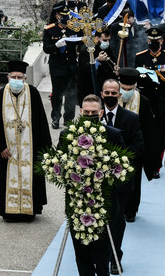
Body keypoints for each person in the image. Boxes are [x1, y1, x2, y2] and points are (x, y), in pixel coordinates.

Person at [0, 60, 52, 222]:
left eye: (20, 77)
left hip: (31, 149)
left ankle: (30, 210)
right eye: (13, 76)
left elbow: (42, 123)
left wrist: (45, 149)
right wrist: (0, 147)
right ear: (8, 78)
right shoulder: (0, 96)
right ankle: (9, 212)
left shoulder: (33, 94)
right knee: (6, 178)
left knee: (32, 177)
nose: (17, 79)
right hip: (7, 153)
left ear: (25, 78)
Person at [67, 94, 123, 276]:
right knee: (82, 257)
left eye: (93, 112)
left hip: (103, 206)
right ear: (81, 112)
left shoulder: (113, 135)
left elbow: (122, 169)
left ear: (100, 113)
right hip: (78, 205)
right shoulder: (67, 136)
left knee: (101, 256)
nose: (90, 115)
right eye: (86, 112)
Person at [100, 79, 144, 275]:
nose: (110, 96)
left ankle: (115, 257)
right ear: (102, 94)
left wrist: (118, 157)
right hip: (96, 181)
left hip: (120, 181)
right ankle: (100, 257)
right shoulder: (94, 116)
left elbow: (138, 146)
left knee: (117, 221)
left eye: (113, 93)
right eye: (106, 93)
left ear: (119, 95)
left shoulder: (131, 118)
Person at [117, 67, 160, 222]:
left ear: (135, 86)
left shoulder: (144, 101)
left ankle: (131, 211)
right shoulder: (112, 97)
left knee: (133, 182)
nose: (126, 91)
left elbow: (149, 130)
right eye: (124, 88)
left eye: (130, 89)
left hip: (134, 149)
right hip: (114, 147)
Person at [135, 27, 165, 178]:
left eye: (156, 41)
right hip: (147, 102)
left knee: (160, 134)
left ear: (162, 41)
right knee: (146, 133)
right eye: (151, 41)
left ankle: (156, 166)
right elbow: (138, 81)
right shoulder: (140, 57)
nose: (153, 43)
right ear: (148, 41)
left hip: (163, 101)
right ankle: (146, 161)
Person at [43, 7, 82, 129]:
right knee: (57, 94)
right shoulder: (50, 29)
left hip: (71, 65)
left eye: (67, 15)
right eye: (62, 15)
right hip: (57, 66)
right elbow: (46, 48)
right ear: (57, 16)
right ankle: (55, 117)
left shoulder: (74, 28)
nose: (65, 18)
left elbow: (81, 44)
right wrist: (55, 45)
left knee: (71, 94)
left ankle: (69, 119)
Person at [76, 29, 116, 104]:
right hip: (89, 87)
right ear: (97, 38)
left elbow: (112, 61)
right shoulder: (86, 49)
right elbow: (84, 69)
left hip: (103, 85)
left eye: (108, 40)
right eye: (104, 40)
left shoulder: (107, 48)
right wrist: (97, 60)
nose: (107, 43)